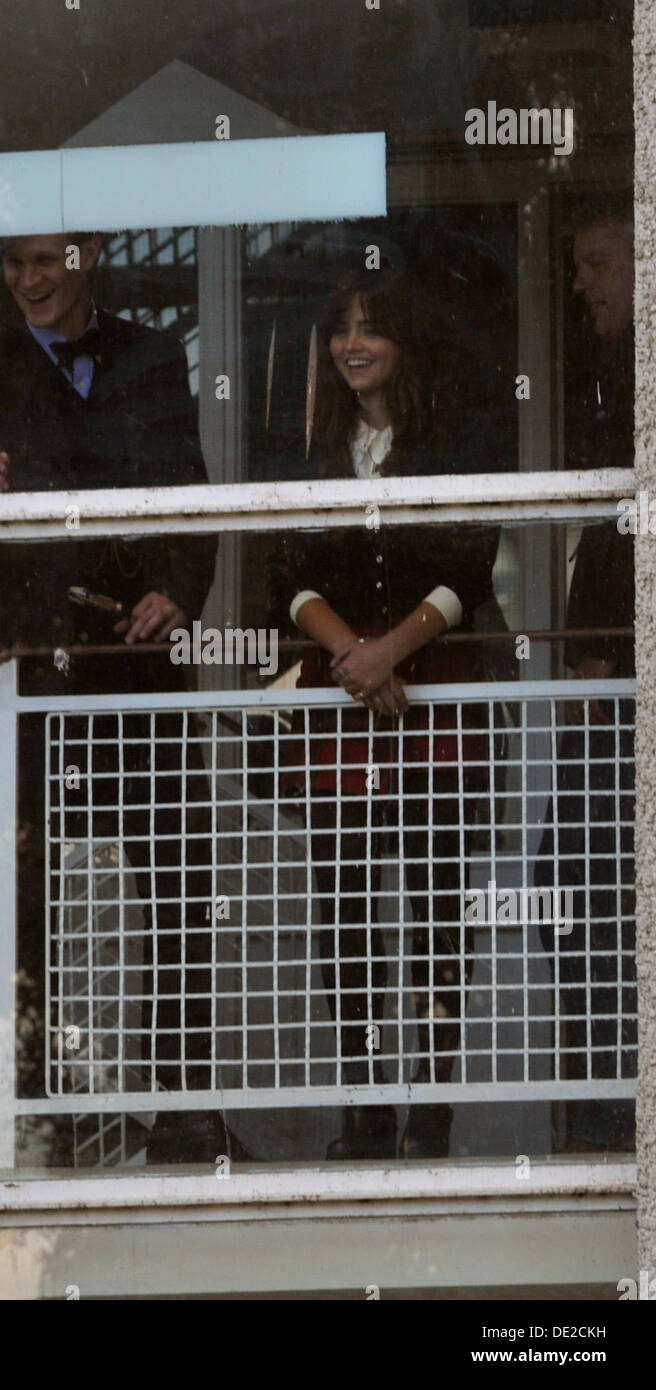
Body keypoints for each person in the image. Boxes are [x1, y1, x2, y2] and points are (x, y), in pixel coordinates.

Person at [0, 230, 237, 1165]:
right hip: (26, 655)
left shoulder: (151, 353)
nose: (29, 280)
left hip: (132, 654)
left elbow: (190, 497)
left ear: (91, 254)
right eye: (14, 263)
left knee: (177, 879)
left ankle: (183, 1101)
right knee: (25, 880)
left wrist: (180, 591)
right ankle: (35, 1104)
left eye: (48, 261)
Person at [285, 268, 498, 1161]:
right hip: (343, 698)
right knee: (344, 913)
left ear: (405, 344)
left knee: (439, 910)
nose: (353, 345)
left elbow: (468, 561)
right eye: (341, 329)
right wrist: (354, 657)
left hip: (433, 687)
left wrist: (391, 653)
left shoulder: (452, 438)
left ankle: (434, 1112)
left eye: (372, 327)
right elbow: (283, 576)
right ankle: (368, 1108)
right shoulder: (311, 448)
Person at [535, 198, 636, 1153]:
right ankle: (603, 1109)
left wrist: (604, 660)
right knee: (570, 892)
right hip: (603, 690)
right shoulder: (613, 377)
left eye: (595, 263)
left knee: (587, 892)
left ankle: (613, 1115)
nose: (577, 284)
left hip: (621, 698)